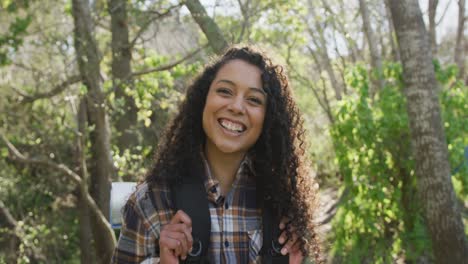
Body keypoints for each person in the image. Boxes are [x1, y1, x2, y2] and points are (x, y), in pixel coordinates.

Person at [111, 46, 321, 263]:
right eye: (225, 91)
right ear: (203, 99)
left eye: (254, 100)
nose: (237, 107)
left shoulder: (286, 207)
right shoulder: (151, 201)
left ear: (268, 118)